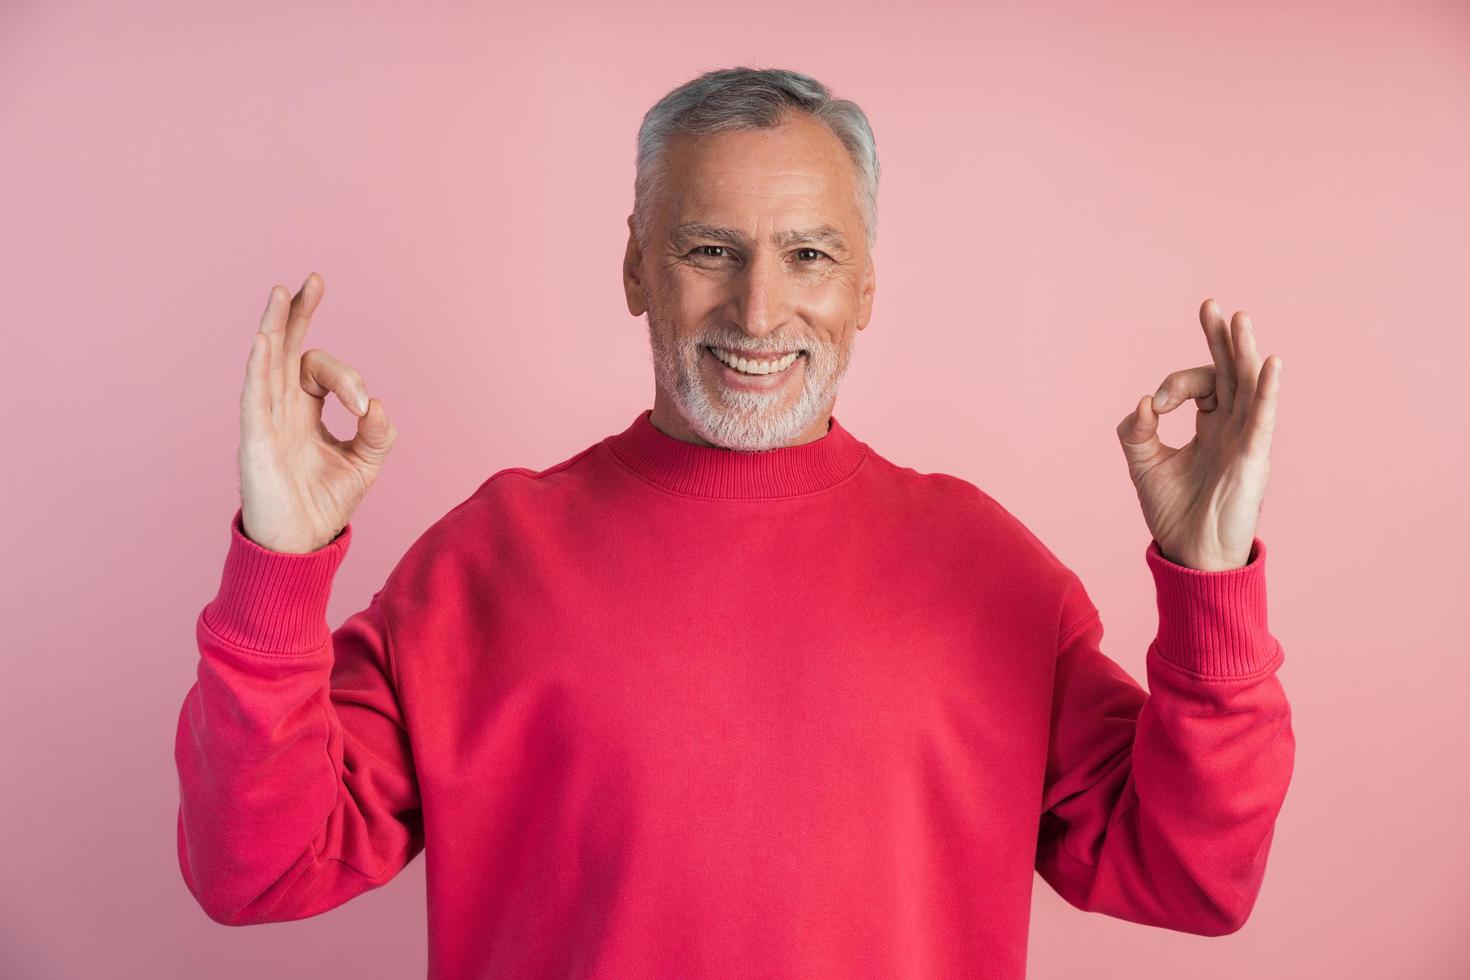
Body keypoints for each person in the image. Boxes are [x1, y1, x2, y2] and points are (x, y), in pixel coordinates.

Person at [174, 66, 1294, 979]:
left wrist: (1210, 586)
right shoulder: (485, 561)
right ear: (634, 265)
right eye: (710, 248)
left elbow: (1191, 875)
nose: (759, 310)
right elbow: (257, 867)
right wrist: (276, 567)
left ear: (864, 287)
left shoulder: (987, 569)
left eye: (810, 254)